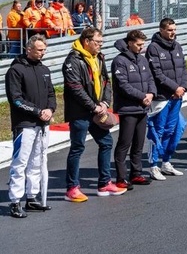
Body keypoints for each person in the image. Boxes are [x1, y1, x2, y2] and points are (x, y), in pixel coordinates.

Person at [62, 27, 124, 201]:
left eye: (101, 42)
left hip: (97, 110)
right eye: (97, 42)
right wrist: (93, 106)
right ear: (87, 41)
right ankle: (72, 188)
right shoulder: (72, 60)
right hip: (80, 112)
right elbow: (75, 87)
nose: (100, 45)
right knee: (77, 148)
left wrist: (104, 102)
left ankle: (104, 183)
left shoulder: (99, 57)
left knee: (106, 142)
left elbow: (106, 81)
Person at [6, 33, 55, 217]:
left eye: (44, 50)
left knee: (38, 160)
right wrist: (37, 111)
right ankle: (15, 201)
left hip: (43, 123)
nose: (43, 53)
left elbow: (51, 94)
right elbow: (16, 100)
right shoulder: (16, 70)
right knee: (20, 162)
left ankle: (32, 196)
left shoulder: (44, 70)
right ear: (29, 49)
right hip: (24, 124)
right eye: (40, 50)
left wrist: (50, 109)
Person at [145, 17, 187, 179]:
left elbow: (184, 68)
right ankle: (153, 165)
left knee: (173, 129)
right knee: (158, 130)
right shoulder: (153, 48)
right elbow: (156, 73)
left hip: (177, 96)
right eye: (170, 30)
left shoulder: (177, 46)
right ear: (161, 30)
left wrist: (183, 87)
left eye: (174, 30)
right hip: (162, 97)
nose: (173, 33)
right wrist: (174, 87)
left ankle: (166, 162)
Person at [111, 29, 155, 187]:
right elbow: (123, 85)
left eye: (143, 44)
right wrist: (142, 96)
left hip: (143, 108)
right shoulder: (119, 61)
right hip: (128, 108)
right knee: (125, 143)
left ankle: (136, 173)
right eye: (138, 44)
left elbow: (150, 78)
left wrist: (151, 93)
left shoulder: (142, 59)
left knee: (139, 142)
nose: (141, 47)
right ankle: (121, 177)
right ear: (129, 43)